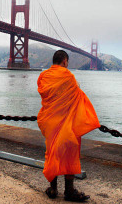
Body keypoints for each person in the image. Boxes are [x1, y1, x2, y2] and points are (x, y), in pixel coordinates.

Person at [37, 50, 100, 202]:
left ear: (54, 61)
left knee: (52, 152)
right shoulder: (68, 76)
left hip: (51, 122)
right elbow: (77, 94)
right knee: (70, 153)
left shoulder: (44, 76)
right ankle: (69, 191)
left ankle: (53, 188)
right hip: (66, 123)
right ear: (64, 61)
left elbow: (44, 93)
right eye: (67, 63)